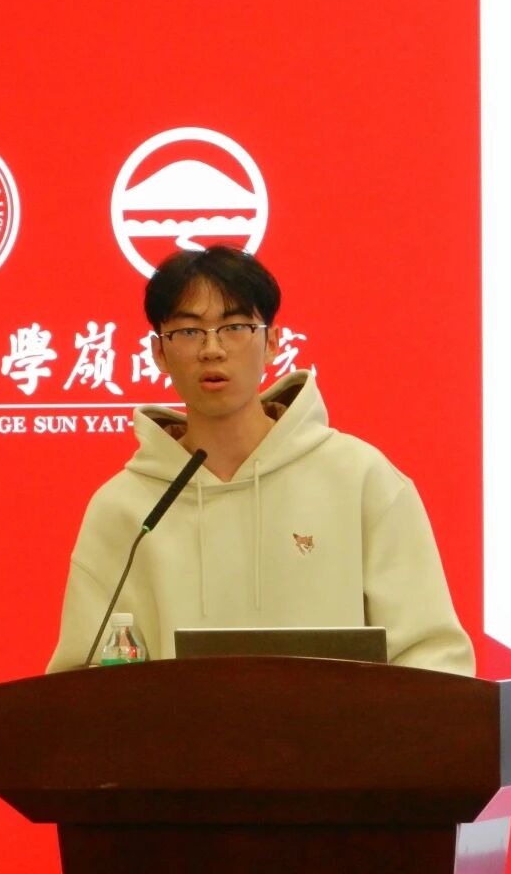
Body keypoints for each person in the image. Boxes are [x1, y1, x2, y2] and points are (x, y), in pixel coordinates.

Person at [46, 247, 474, 676]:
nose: (212, 349)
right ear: (159, 352)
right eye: (189, 331)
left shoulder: (360, 478)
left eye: (235, 327)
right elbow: (80, 681)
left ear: (272, 343)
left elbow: (433, 656)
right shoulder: (125, 509)